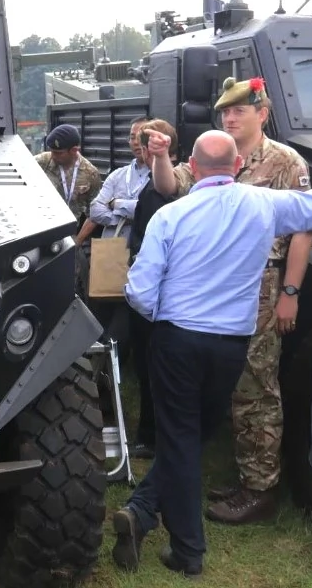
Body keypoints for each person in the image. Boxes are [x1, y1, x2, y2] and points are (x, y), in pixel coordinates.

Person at [111, 130, 312, 577]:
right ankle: (142, 510)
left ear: (192, 163)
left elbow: (139, 290)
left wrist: (163, 316)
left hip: (177, 339)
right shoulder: (265, 204)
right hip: (231, 346)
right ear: (235, 166)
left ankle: (187, 550)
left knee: (180, 440)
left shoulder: (171, 216)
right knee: (191, 437)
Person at [148, 76, 312, 524]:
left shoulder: (284, 162)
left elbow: (303, 230)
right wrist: (160, 156)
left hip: (261, 287)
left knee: (257, 390)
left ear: (263, 113)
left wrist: (290, 294)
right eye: (226, 111)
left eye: (240, 110)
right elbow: (170, 187)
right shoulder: (212, 152)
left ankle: (259, 490)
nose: (231, 116)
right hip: (210, 287)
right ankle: (246, 477)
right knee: (223, 387)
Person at [121, 118, 181, 459]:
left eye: (141, 145)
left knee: (150, 364)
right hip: (151, 285)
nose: (137, 150)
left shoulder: (160, 189)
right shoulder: (154, 184)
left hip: (153, 290)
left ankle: (152, 437)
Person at [35, 124, 104, 298]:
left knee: (67, 285)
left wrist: (77, 241)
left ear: (74, 150)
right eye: (51, 151)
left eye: (59, 153)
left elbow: (94, 213)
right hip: (39, 232)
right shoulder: (40, 163)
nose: (53, 156)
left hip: (68, 237)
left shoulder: (90, 174)